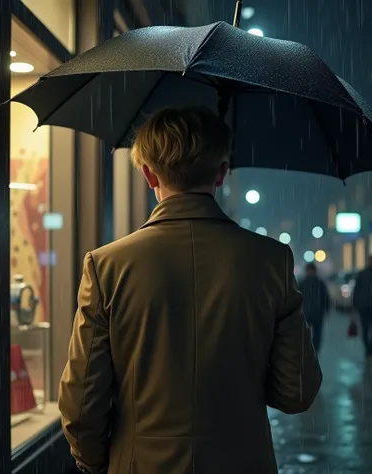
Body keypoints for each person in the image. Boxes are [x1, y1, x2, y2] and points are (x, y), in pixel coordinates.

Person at [58, 106, 322, 474]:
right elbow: (297, 391)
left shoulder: (107, 266)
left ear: (149, 175)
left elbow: (82, 402)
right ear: (221, 173)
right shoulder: (271, 261)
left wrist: (100, 461)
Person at [298, 263, 330, 353]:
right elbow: (325, 297)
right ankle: (315, 350)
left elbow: (297, 298)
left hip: (307, 312)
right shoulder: (319, 283)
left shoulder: (302, 283)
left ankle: (308, 350)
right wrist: (326, 309)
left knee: (306, 333)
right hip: (316, 312)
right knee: (317, 333)